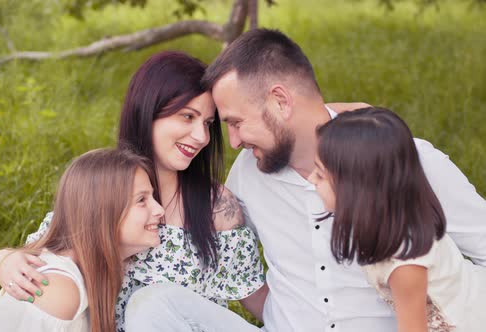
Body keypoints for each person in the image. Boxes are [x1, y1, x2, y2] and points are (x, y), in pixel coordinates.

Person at [125, 29, 486, 331]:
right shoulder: (249, 173)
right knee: (153, 303)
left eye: (236, 122)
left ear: (280, 102)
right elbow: (205, 244)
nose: (231, 141)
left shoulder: (409, 161)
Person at [0, 51, 266, 331]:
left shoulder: (216, 206)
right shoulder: (108, 185)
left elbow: (255, 295)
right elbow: (50, 253)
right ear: (148, 112)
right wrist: (4, 260)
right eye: (187, 117)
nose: (201, 137)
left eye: (207, 123)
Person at [308, 107, 486, 331]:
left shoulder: (406, 266)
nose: (311, 178)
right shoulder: (386, 218)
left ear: (357, 186)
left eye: (320, 173)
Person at [0, 148, 165, 332]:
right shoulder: (57, 289)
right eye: (142, 200)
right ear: (101, 211)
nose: (159, 210)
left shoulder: (92, 272)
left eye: (153, 197)